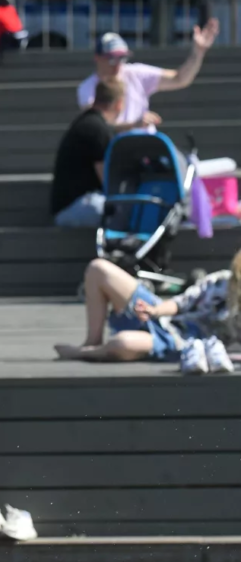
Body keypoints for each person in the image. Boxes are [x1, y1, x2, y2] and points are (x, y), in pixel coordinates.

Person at [54, 250, 241, 372]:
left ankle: (86, 353)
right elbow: (181, 302)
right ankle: (91, 341)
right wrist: (155, 310)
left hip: (181, 342)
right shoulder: (221, 282)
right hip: (169, 319)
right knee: (98, 269)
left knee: (122, 343)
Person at [78, 21, 219, 133]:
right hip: (115, 150)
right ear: (97, 58)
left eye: (122, 58)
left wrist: (198, 52)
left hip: (147, 145)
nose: (117, 65)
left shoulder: (135, 73)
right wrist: (136, 124)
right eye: (111, 59)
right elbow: (99, 128)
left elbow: (180, 79)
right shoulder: (87, 88)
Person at [51, 79, 123, 228]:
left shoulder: (85, 122)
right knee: (127, 210)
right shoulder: (98, 130)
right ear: (119, 104)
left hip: (67, 207)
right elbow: (108, 180)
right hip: (74, 208)